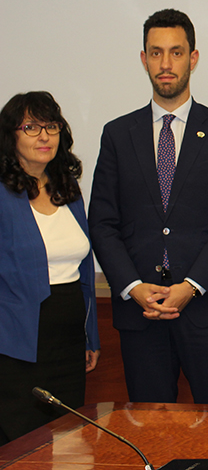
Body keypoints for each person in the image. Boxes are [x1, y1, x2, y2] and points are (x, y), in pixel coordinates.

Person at [89, 8, 208, 404]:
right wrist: (133, 287)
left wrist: (190, 287)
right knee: (149, 430)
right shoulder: (117, 134)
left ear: (193, 58)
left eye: (176, 52)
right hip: (141, 314)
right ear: (144, 59)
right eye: (156, 53)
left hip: (207, 312)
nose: (166, 63)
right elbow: (103, 222)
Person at [0, 92, 100, 444]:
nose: (44, 136)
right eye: (31, 127)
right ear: (10, 135)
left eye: (51, 126)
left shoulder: (67, 189)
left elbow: (84, 271)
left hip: (69, 341)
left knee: (70, 442)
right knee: (23, 444)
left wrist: (90, 336)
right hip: (17, 345)